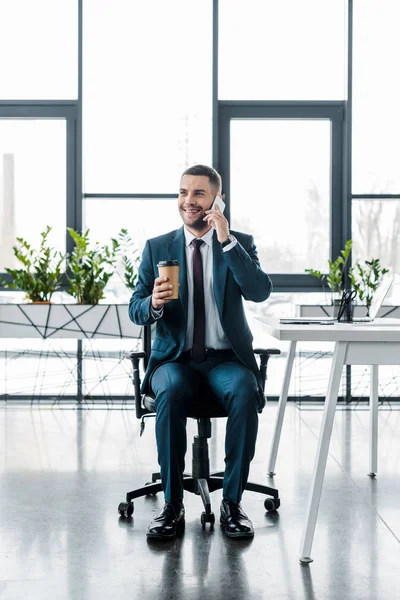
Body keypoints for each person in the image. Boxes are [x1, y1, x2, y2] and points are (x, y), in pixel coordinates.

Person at [129, 164, 272, 541]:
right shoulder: (157, 247)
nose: (188, 201)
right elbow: (135, 307)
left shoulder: (237, 242)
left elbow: (259, 291)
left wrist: (226, 239)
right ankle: (172, 506)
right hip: (174, 359)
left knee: (243, 390)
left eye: (198, 194)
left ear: (216, 200)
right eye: (182, 193)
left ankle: (233, 504)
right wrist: (153, 305)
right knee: (172, 391)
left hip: (225, 359)